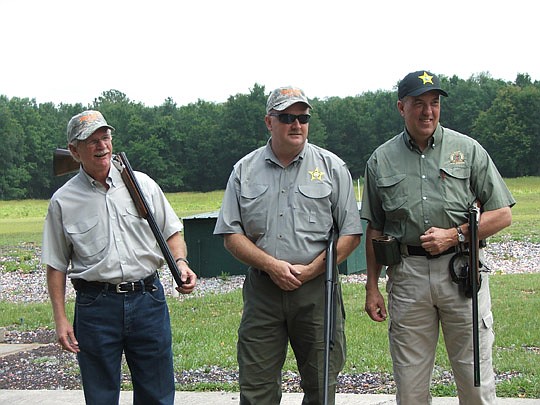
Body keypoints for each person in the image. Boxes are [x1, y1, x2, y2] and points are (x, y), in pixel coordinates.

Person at [361, 70, 515, 405]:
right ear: (401, 107)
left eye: (434, 102)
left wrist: (453, 236)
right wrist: (372, 287)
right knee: (410, 387)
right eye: (419, 103)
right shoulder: (381, 160)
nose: (428, 111)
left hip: (461, 273)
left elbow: (502, 213)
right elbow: (374, 228)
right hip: (407, 276)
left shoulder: (468, 149)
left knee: (475, 381)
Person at [214, 86, 362, 404]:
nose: (297, 124)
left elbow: (350, 234)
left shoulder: (332, 168)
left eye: (303, 117)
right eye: (287, 117)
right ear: (269, 122)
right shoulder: (244, 171)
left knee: (322, 385)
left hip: (318, 290)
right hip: (264, 291)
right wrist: (271, 265)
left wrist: (311, 271)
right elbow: (231, 234)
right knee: (256, 388)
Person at [42, 110, 197, 405]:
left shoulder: (142, 184)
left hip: (148, 298)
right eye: (91, 141)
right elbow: (56, 265)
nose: (102, 146)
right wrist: (60, 319)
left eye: (105, 137)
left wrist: (181, 263)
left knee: (158, 394)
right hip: (95, 306)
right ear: (73, 151)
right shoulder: (63, 201)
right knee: (100, 396)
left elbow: (172, 233)